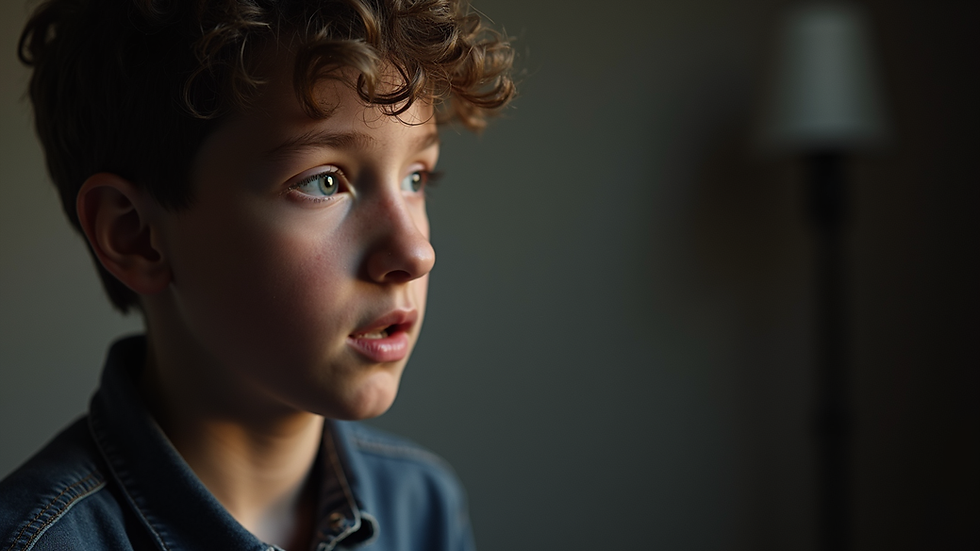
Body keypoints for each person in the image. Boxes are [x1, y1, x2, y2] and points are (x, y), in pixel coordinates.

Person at [0, 0, 514, 549]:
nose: (416, 252)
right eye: (323, 182)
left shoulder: (424, 509)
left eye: (416, 177)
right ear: (135, 235)